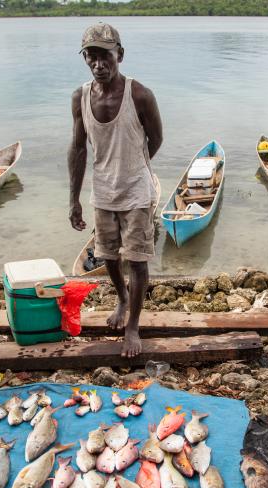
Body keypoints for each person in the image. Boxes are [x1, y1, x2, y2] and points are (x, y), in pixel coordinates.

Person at [68, 22, 163, 358]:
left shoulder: (140, 95)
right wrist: (73, 200)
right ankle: (122, 297)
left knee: (136, 259)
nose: (98, 64)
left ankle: (133, 326)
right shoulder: (80, 97)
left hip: (136, 192)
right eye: (90, 56)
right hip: (103, 191)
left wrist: (134, 167)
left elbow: (157, 138)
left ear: (119, 54)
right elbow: (78, 149)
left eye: (105, 55)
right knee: (107, 256)